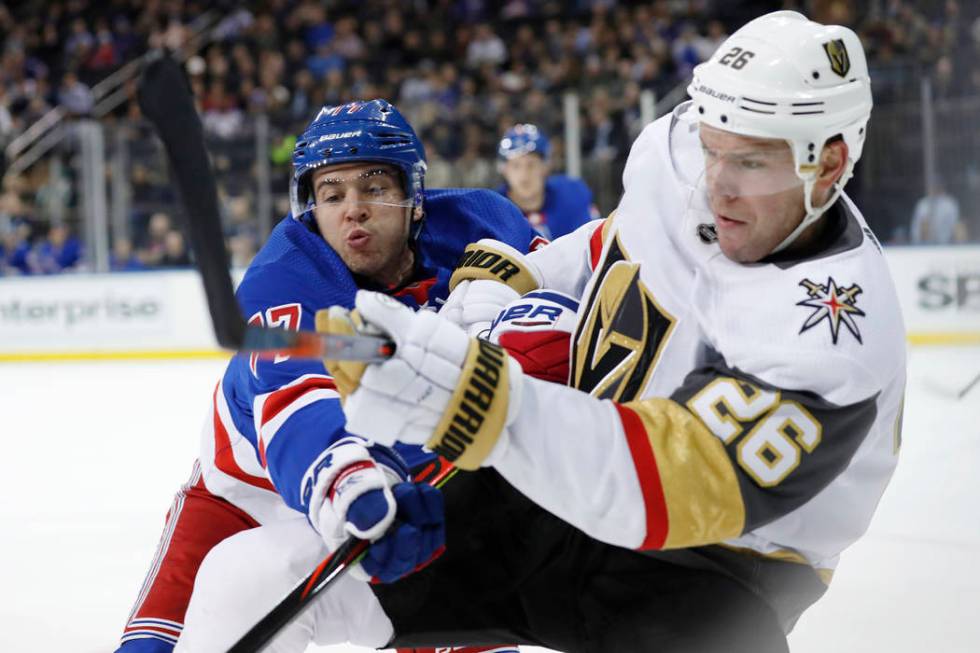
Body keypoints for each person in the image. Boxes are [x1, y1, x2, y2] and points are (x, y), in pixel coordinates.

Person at [178, 11, 907, 653]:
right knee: (257, 581)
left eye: (746, 162)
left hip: (708, 570)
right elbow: (621, 242)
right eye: (713, 146)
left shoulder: (827, 344)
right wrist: (529, 274)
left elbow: (661, 485)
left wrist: (473, 400)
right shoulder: (685, 154)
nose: (713, 184)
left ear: (831, 162)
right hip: (550, 495)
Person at [114, 99, 542, 653]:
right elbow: (299, 408)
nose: (353, 210)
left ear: (415, 198)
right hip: (247, 496)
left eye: (374, 188)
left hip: (420, 483)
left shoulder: (484, 224)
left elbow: (569, 303)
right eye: (331, 194)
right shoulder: (283, 277)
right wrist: (348, 488)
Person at [497, 123, 597, 240]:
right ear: (504, 170)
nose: (524, 175)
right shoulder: (492, 210)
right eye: (516, 166)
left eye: (531, 165)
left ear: (545, 167)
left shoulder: (573, 195)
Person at [910, 177, 967, 244]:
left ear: (941, 187)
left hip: (946, 246)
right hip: (924, 246)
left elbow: (957, 228)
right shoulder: (923, 204)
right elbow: (916, 229)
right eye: (932, 186)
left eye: (936, 186)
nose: (933, 188)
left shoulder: (950, 204)